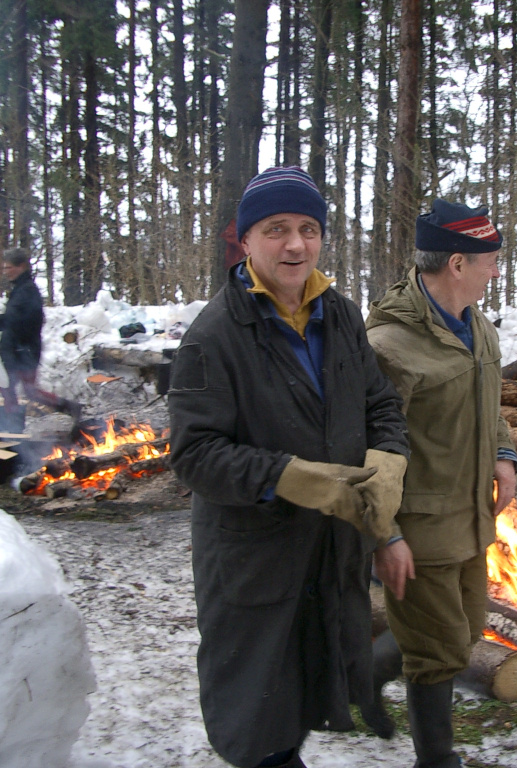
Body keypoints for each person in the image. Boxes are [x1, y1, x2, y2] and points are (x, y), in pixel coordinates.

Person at [167, 166, 409, 768]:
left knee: (302, 692)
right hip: (255, 558)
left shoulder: (342, 316)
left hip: (330, 552)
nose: (296, 244)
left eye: (308, 228)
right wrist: (292, 478)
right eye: (276, 229)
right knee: (256, 715)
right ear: (245, 241)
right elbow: (194, 455)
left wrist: (386, 465)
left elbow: (380, 403)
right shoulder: (213, 337)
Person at [363, 200, 517, 768]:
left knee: (467, 626)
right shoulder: (388, 346)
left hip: (473, 516)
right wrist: (385, 535)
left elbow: (489, 403)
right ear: (458, 263)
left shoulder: (477, 326)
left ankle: (365, 674)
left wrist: (504, 453)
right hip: (419, 525)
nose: (496, 271)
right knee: (440, 649)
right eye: (491, 261)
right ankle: (437, 760)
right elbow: (366, 451)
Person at [0, 247, 81, 424]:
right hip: (17, 349)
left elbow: (14, 321)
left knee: (24, 391)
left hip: (23, 350)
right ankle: (14, 429)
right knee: (9, 389)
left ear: (22, 267)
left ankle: (69, 408)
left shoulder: (26, 291)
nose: (5, 272)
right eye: (4, 268)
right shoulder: (20, 290)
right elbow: (15, 318)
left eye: (9, 268)